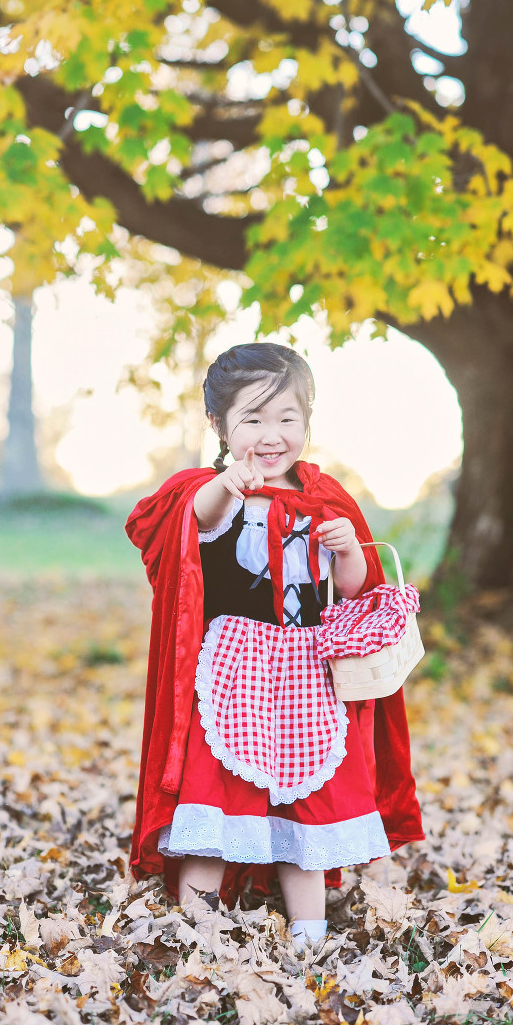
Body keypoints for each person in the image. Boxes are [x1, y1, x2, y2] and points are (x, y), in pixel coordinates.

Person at [125, 342, 423, 947]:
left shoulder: (324, 497)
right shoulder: (210, 492)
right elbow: (190, 524)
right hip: (232, 670)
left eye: (287, 418)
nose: (271, 434)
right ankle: (199, 929)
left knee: (305, 799)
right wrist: (229, 486)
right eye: (252, 419)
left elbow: (355, 591)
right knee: (218, 798)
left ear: (307, 423)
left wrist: (344, 550)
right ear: (219, 425)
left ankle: (309, 933)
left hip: (307, 675)